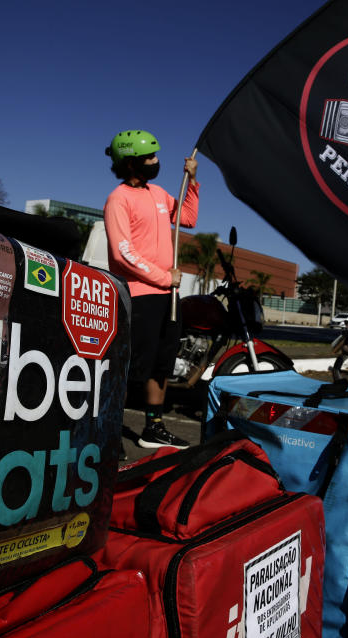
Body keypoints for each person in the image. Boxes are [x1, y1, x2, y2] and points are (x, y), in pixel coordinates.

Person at [103, 130, 198, 450]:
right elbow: (122, 253)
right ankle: (108, 433)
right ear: (130, 164)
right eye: (149, 157)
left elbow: (187, 218)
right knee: (131, 367)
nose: (156, 162)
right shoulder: (119, 199)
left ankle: (153, 428)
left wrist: (192, 183)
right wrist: (162, 277)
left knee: (161, 364)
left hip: (167, 296)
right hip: (139, 295)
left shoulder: (158, 193)